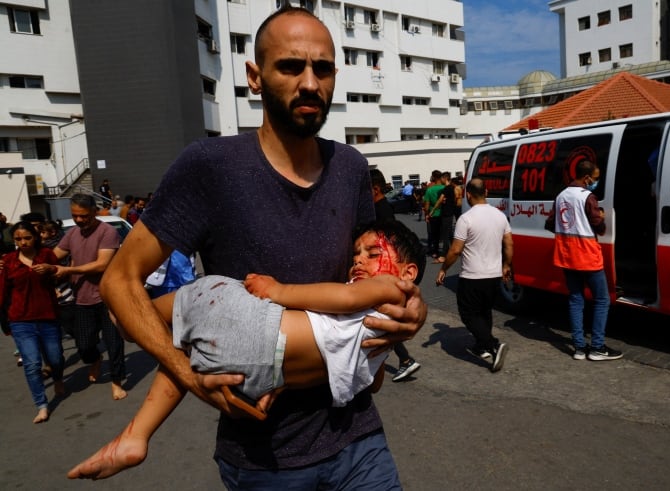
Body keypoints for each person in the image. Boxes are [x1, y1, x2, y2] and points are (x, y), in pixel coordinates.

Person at [96, 6, 426, 489]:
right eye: (291, 66)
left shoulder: (351, 167)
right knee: (200, 304)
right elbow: (119, 280)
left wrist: (410, 314)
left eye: (323, 68)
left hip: (357, 438)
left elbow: (367, 275)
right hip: (264, 460)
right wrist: (189, 376)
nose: (310, 83)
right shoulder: (209, 167)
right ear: (255, 76)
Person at [68, 220, 425, 480]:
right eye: (356, 253)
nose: (359, 260)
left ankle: (131, 325)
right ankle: (136, 433)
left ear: (408, 272)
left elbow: (345, 296)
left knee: (200, 297)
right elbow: (369, 383)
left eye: (372, 253)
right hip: (264, 374)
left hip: (258, 329)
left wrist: (278, 291)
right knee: (190, 347)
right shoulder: (385, 326)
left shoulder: (389, 288)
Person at [544, 160, 623, 361]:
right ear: (587, 177)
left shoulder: (561, 195)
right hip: (587, 256)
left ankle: (579, 348)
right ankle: (597, 347)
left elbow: (550, 224)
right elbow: (599, 226)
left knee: (576, 299)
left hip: (566, 256)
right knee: (602, 300)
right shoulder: (588, 197)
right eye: (595, 178)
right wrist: (602, 218)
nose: (595, 182)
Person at [53, 194, 128, 399]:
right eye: (74, 216)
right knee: (84, 345)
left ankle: (116, 381)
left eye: (83, 216)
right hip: (82, 298)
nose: (78, 220)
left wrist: (67, 271)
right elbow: (54, 255)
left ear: (94, 212)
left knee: (114, 342)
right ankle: (95, 360)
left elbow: (101, 264)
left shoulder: (108, 232)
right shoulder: (72, 234)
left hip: (107, 298)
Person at [436, 178, 512, 372]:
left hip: (472, 276)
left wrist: (444, 269)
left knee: (468, 313)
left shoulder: (466, 218)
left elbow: (455, 250)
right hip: (494, 275)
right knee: (484, 311)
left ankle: (493, 345)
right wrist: (506, 265)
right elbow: (509, 244)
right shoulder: (500, 216)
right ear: (486, 192)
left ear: (468, 194)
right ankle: (481, 346)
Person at [0, 221, 66, 423]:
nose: (23, 242)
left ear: (35, 237)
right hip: (21, 320)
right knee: (32, 363)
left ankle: (57, 378)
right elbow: (2, 293)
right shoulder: (9, 261)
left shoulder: (46, 255)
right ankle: (42, 405)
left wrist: (50, 270)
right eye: (18, 239)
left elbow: (60, 276)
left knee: (55, 358)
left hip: (48, 316)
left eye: (27, 237)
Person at [369, 169, 421, 382]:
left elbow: (388, 248)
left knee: (381, 319)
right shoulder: (379, 209)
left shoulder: (382, 213)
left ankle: (405, 360)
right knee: (381, 319)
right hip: (385, 274)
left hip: (385, 274)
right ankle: (403, 360)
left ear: (375, 189)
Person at [429, 171, 456, 263]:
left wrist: (432, 210)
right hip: (450, 212)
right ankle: (454, 250)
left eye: (441, 179)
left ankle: (444, 255)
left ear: (445, 178)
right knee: (449, 233)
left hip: (446, 214)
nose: (441, 180)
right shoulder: (451, 188)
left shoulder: (447, 188)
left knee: (445, 235)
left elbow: (440, 200)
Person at [423, 170, 445, 260]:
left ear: (434, 177)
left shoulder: (429, 190)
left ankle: (435, 252)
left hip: (433, 214)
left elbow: (427, 206)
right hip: (444, 214)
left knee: (434, 234)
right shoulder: (445, 188)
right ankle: (445, 251)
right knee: (445, 233)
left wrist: (426, 214)